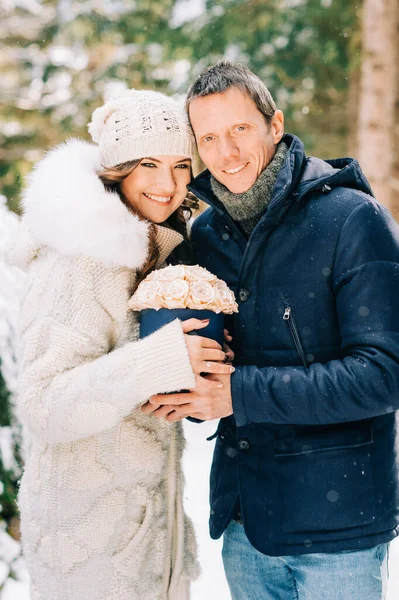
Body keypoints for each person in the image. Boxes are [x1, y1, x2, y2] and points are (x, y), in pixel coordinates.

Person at [147, 62, 399, 599]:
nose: (227, 153)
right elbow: (210, 357)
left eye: (239, 129)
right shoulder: (207, 235)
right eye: (209, 137)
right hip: (247, 527)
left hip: (339, 534)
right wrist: (185, 384)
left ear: (275, 124)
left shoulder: (353, 219)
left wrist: (235, 393)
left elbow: (382, 375)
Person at [4, 89, 233, 600]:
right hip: (89, 554)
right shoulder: (77, 260)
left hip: (148, 540)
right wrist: (162, 359)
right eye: (148, 163)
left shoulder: (158, 251)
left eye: (180, 164)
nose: (168, 183)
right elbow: (44, 406)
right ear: (116, 168)